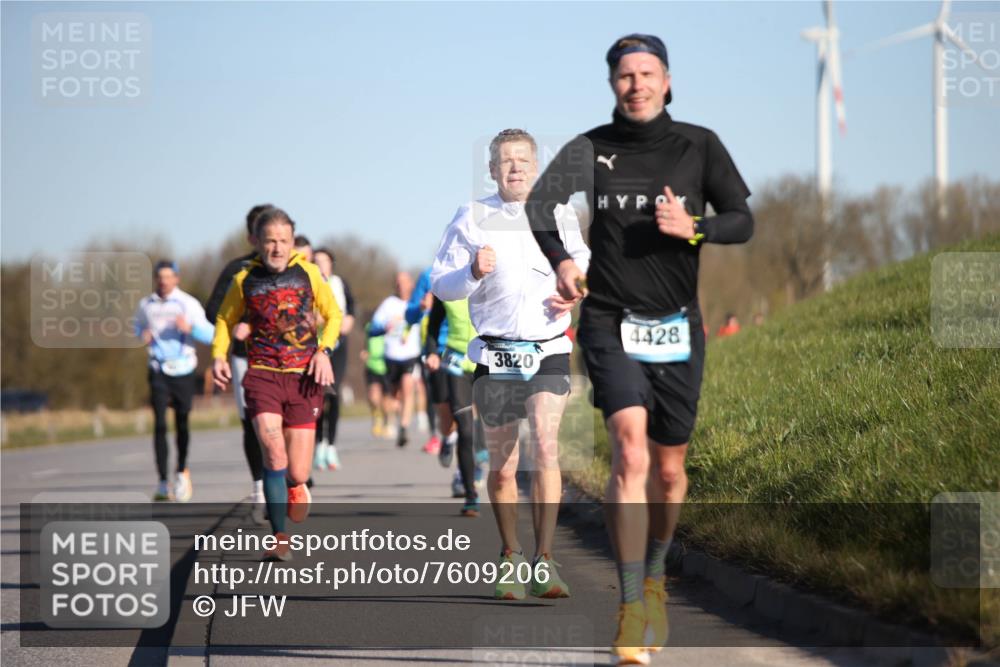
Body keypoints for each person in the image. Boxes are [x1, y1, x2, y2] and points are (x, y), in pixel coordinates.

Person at [525, 34, 754, 664]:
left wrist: (695, 226)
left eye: (647, 72)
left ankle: (654, 577)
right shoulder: (590, 147)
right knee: (629, 453)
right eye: (625, 75)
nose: (637, 83)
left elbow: (742, 218)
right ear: (612, 85)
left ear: (667, 80)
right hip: (608, 319)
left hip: (679, 325)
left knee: (671, 469)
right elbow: (542, 206)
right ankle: (629, 605)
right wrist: (566, 262)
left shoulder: (699, 145)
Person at [432, 128, 591, 600]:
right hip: (497, 352)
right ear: (492, 170)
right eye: (506, 161)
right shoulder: (472, 217)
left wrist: (576, 289)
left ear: (536, 167)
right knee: (503, 466)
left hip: (547, 346)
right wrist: (472, 271)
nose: (515, 168)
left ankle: (545, 560)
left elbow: (582, 264)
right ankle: (510, 555)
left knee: (545, 445)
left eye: (523, 160)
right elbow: (442, 283)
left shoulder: (560, 213)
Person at [212, 207, 341, 562]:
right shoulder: (244, 280)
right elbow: (224, 318)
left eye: (283, 241)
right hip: (263, 376)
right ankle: (280, 537)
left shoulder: (309, 273)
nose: (277, 248)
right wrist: (219, 355)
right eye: (270, 241)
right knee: (274, 454)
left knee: (297, 471)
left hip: (303, 379)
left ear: (292, 241)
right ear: (256, 242)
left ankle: (297, 487)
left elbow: (333, 315)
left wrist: (324, 351)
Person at [205, 204, 271, 521]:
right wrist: (235, 329)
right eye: (264, 233)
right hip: (246, 356)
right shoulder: (236, 270)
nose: (272, 242)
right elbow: (213, 312)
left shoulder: (296, 268)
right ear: (252, 236)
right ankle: (260, 488)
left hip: (284, 357)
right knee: (252, 421)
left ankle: (281, 482)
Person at [135, 260, 214, 502]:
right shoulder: (145, 305)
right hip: (158, 367)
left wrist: (189, 328)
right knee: (159, 423)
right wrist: (142, 334)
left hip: (183, 368)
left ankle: (181, 470)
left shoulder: (187, 303)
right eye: (160, 277)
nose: (164, 281)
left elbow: (212, 335)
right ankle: (162, 481)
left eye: (169, 277)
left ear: (176, 279)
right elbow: (137, 326)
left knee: (182, 422)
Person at [424, 295, 478, 515]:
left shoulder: (494, 276)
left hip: (489, 358)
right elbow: (434, 324)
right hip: (457, 360)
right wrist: (432, 352)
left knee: (489, 427)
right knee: (465, 429)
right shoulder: (447, 286)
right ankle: (470, 494)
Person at [312, 248, 356, 471]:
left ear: (331, 263)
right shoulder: (308, 283)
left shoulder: (340, 283)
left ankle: (331, 445)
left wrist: (349, 319)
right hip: (315, 347)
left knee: (334, 391)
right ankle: (319, 442)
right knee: (319, 395)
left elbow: (351, 308)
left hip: (337, 346)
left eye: (324, 261)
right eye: (316, 261)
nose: (320, 265)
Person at [369, 273, 421, 447]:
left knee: (408, 386)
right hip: (391, 355)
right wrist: (384, 327)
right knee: (392, 395)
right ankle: (391, 417)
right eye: (398, 283)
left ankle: (404, 427)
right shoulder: (388, 304)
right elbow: (374, 326)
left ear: (411, 284)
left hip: (410, 354)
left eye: (404, 282)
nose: (401, 286)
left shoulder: (417, 303)